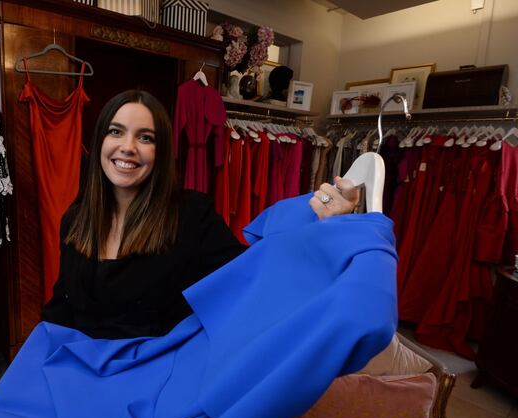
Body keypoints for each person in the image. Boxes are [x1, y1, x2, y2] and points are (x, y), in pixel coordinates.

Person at [41, 89, 359, 340]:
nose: (128, 147)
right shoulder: (76, 218)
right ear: (99, 142)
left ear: (161, 152)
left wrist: (320, 228)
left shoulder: (189, 215)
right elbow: (63, 303)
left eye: (145, 137)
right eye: (116, 132)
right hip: (81, 371)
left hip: (152, 381)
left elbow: (249, 278)